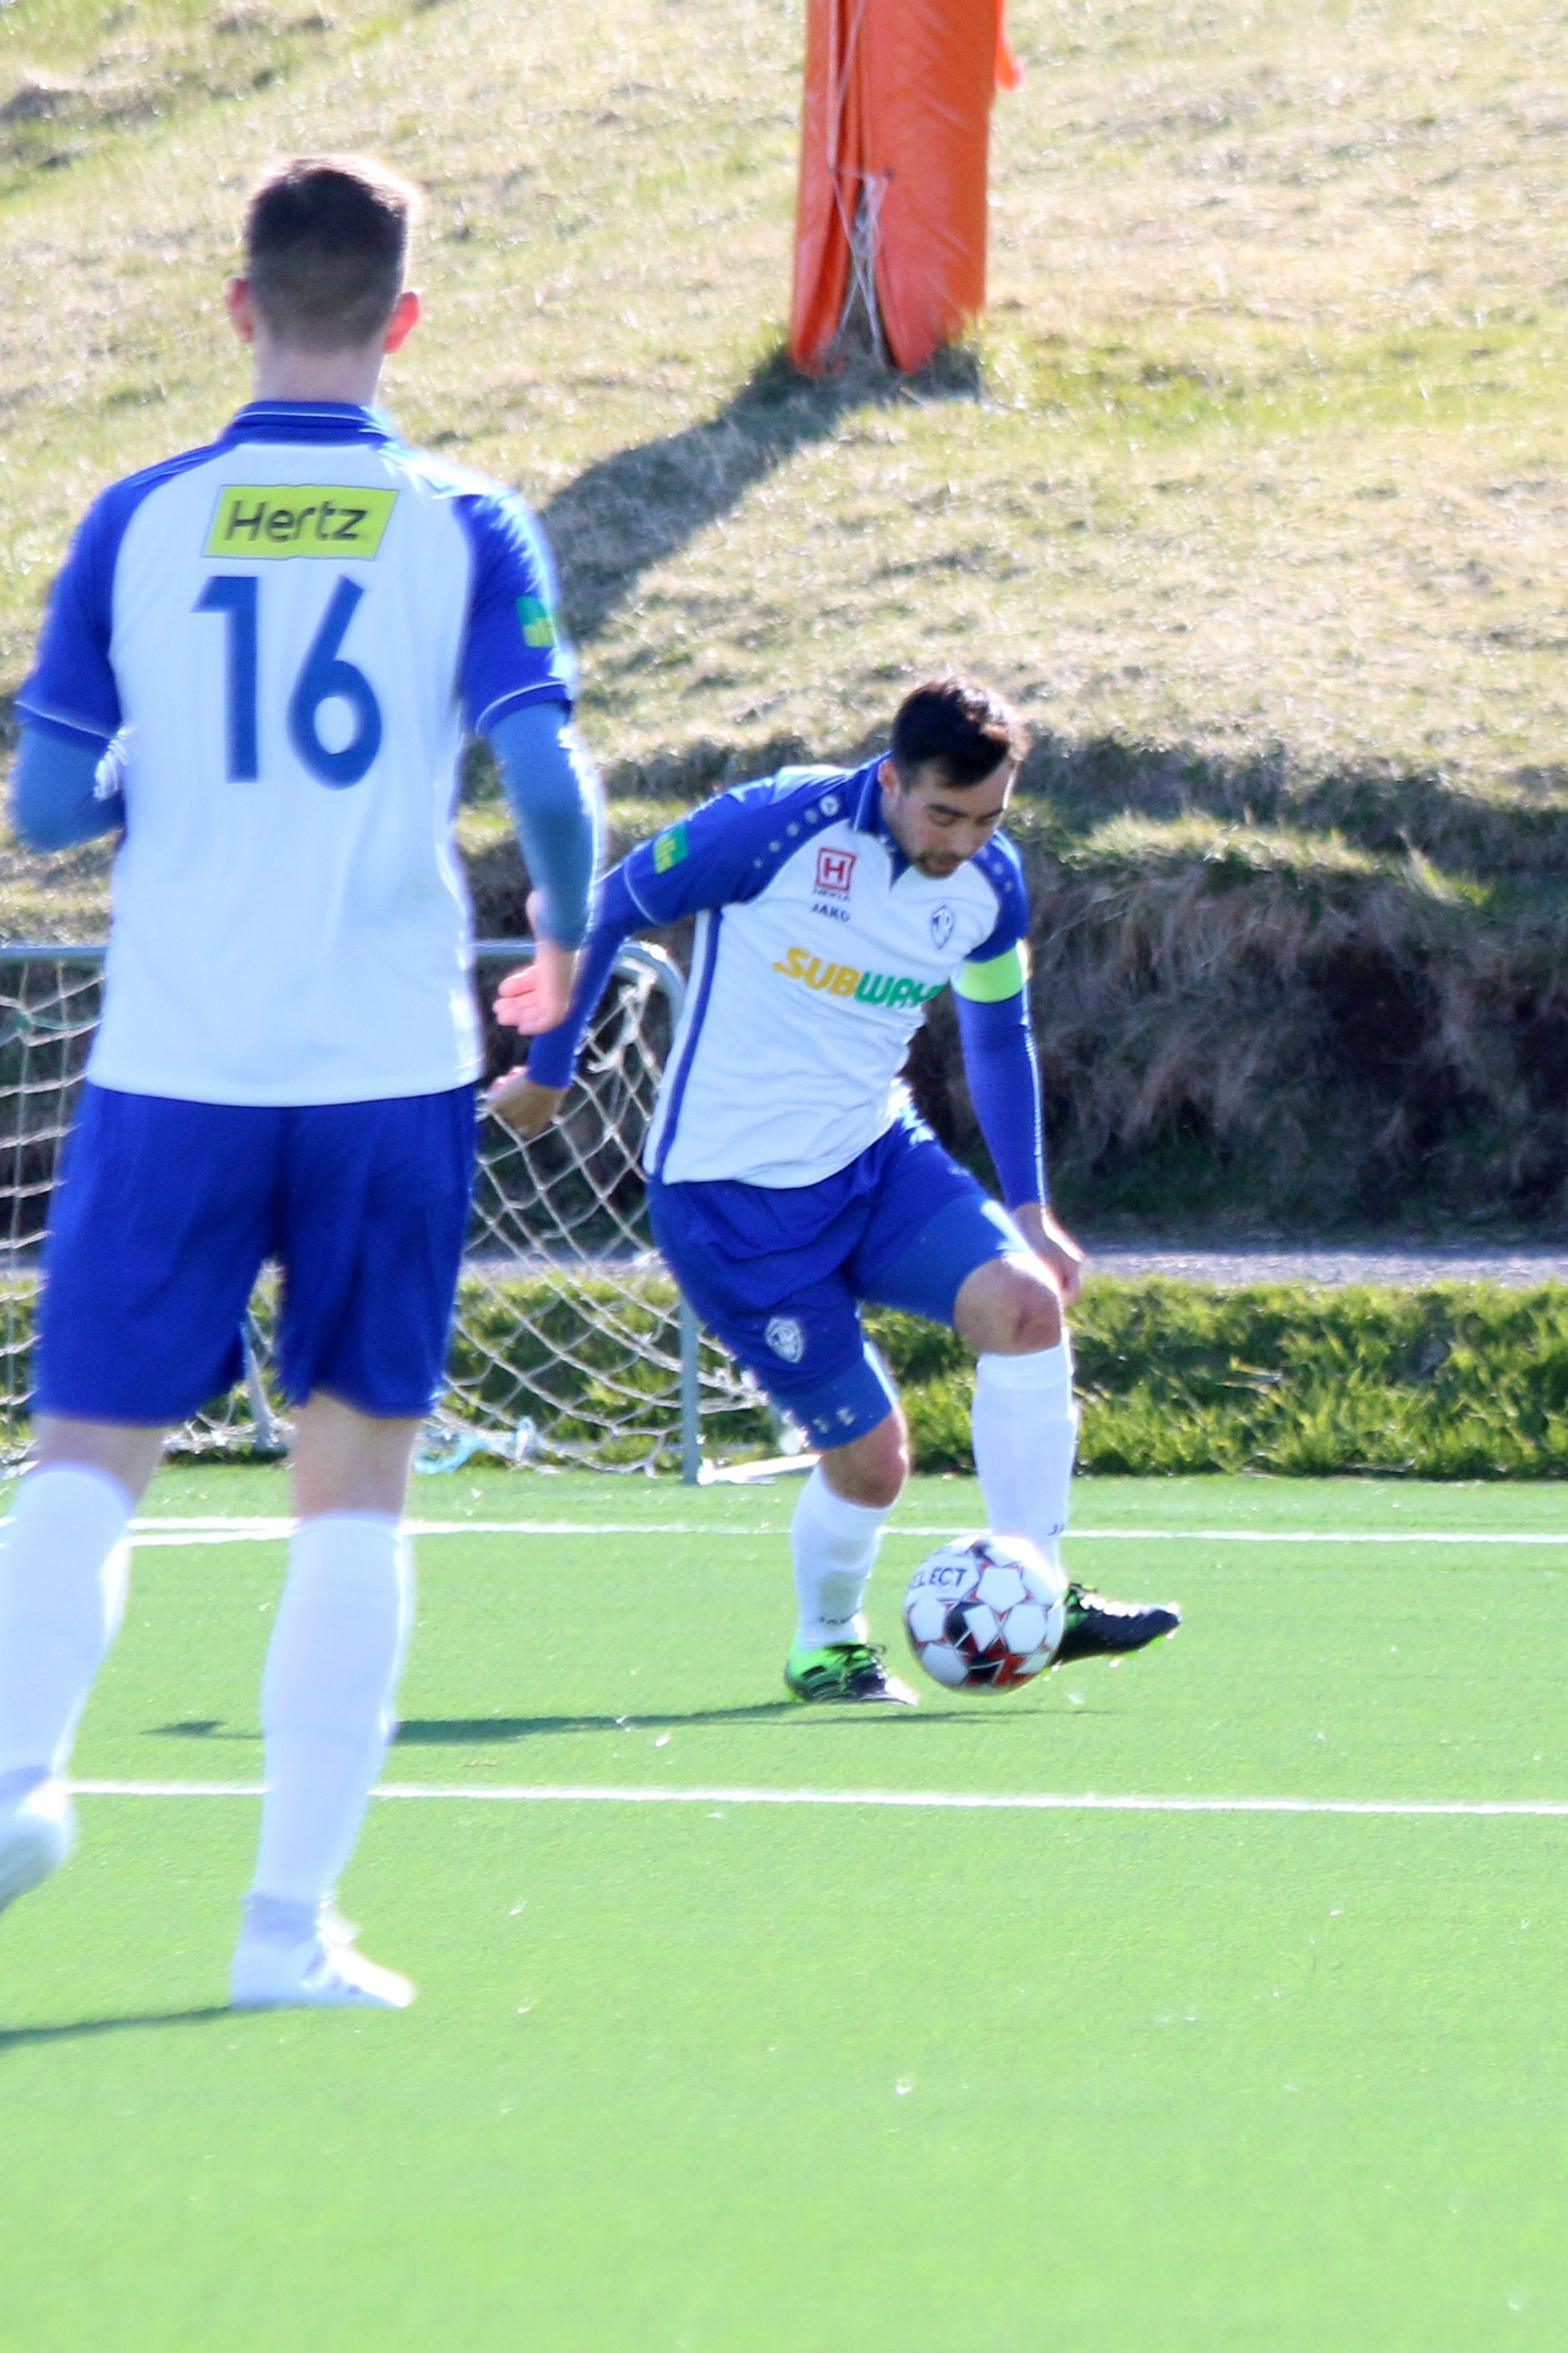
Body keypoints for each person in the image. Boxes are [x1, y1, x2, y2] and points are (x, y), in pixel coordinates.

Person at [0, 156, 603, 2011]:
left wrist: (160, 772)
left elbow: (49, 808)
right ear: (404, 318)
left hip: (178, 1057)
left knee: (86, 1462)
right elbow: (545, 775)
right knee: (353, 1487)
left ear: (239, 307)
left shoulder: (140, 515)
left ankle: (19, 1791)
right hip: (386, 1067)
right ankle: (287, 1929)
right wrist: (564, 939)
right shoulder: (465, 520)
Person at [490, 676, 1177, 1702]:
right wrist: (550, 1072)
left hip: (875, 1157)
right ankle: (827, 1643)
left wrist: (1032, 1208)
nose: (963, 841)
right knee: (874, 1459)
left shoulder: (990, 883)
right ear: (891, 777)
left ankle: (1039, 1586)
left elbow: (998, 1036)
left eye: (988, 818)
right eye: (944, 814)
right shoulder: (772, 826)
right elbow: (608, 907)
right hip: (730, 1200)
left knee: (1028, 1305)